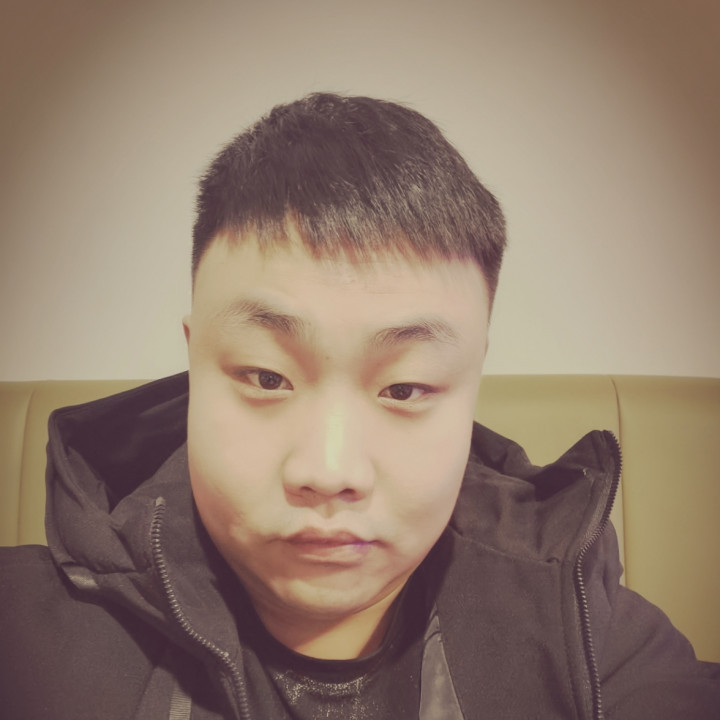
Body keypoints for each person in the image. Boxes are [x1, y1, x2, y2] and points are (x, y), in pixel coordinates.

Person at [1, 93, 718, 720]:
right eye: (266, 377)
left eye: (404, 389)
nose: (329, 471)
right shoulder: (25, 642)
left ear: (473, 378)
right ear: (195, 361)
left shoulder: (588, 637)